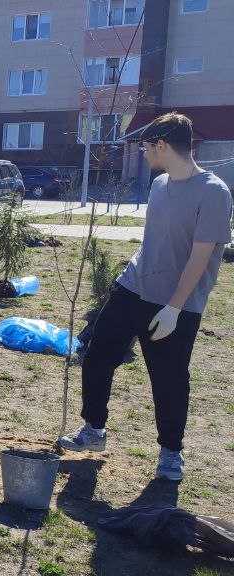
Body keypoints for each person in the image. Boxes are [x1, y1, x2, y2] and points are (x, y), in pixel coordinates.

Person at [59, 113, 232, 482]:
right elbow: (153, 241)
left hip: (175, 303)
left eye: (147, 147)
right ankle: (94, 429)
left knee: (168, 379)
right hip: (133, 287)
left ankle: (171, 453)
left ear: (162, 145)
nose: (145, 153)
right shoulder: (159, 184)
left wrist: (174, 307)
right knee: (97, 356)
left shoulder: (214, 192)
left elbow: (200, 257)